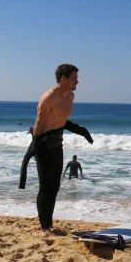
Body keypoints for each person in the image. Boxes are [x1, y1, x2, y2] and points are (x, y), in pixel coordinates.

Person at [28, 64, 93, 233]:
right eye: (74, 78)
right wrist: (37, 147)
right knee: (45, 186)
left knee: (55, 186)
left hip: (58, 144)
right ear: (63, 79)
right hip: (43, 144)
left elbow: (62, 120)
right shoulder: (49, 97)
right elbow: (39, 122)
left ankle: (49, 224)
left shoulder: (70, 97)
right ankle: (45, 226)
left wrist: (80, 130)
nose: (77, 82)